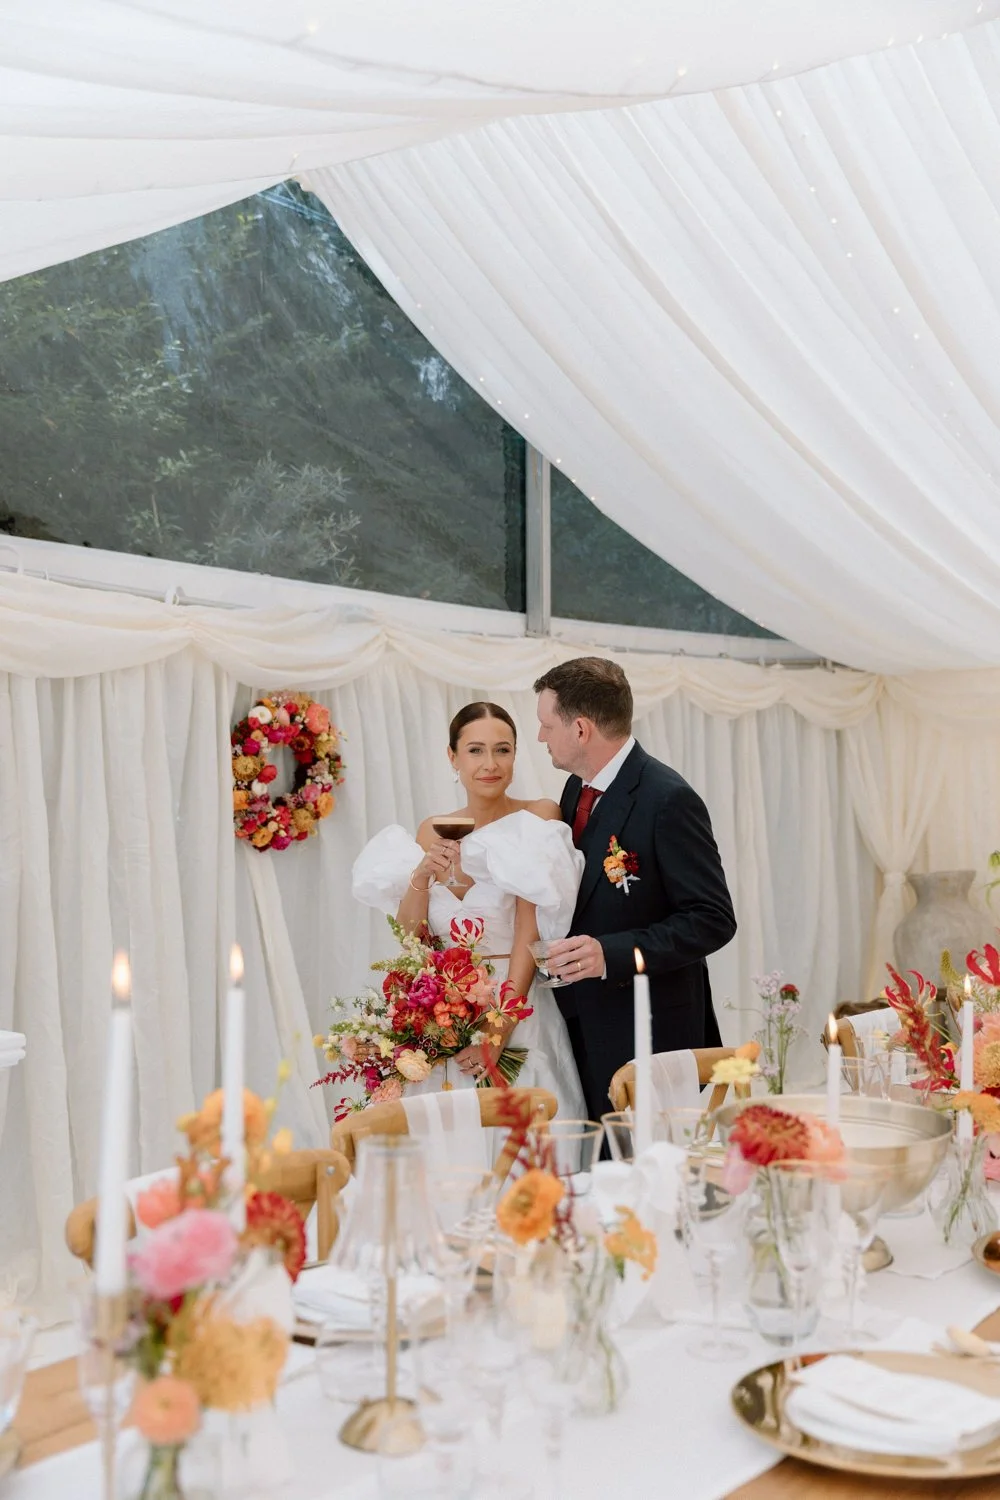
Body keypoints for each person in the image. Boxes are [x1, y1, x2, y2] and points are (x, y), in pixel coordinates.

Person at [351, 701, 587, 1118]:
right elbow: (412, 938)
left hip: (517, 1007)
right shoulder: (432, 828)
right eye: (476, 750)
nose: (490, 764)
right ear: (452, 757)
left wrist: (499, 1032)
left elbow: (529, 937)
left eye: (503, 749)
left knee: (520, 1136)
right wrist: (422, 875)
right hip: (444, 1014)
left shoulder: (539, 816)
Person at [534, 657, 737, 1123]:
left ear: (581, 729)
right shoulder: (573, 790)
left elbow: (712, 918)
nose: (542, 737)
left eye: (547, 725)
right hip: (581, 1021)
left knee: (652, 1170)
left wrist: (611, 953)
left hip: (649, 1028)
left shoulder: (668, 799)